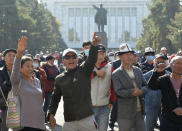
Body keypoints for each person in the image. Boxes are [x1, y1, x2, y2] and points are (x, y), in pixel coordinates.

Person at [47, 33, 100, 131]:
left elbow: (91, 59)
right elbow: (55, 99)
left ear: (77, 59)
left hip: (87, 119)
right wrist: (51, 114)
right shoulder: (59, 79)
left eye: (73, 56)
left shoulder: (84, 70)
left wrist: (94, 46)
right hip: (69, 122)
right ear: (63, 61)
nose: (71, 59)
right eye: (67, 57)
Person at [10, 36, 45, 131]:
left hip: (39, 124)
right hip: (23, 125)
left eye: (32, 66)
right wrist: (19, 53)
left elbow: (39, 104)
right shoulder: (17, 81)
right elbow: (15, 68)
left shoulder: (37, 81)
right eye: (27, 66)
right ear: (20, 69)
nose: (30, 68)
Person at [112, 43, 148, 131]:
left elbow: (145, 86)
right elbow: (118, 91)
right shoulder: (116, 73)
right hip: (125, 113)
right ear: (120, 56)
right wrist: (132, 91)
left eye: (131, 54)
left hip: (140, 111)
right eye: (127, 54)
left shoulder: (138, 70)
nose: (130, 57)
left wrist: (141, 91)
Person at [148, 56, 182, 131]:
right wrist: (157, 72)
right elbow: (151, 86)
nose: (180, 66)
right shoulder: (163, 79)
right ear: (171, 65)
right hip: (167, 120)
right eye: (178, 63)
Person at [91, 44, 116, 131]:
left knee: (102, 129)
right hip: (89, 107)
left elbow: (113, 86)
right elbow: (82, 79)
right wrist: (95, 73)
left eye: (102, 53)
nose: (100, 56)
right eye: (98, 53)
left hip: (104, 106)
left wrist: (111, 101)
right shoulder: (87, 66)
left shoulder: (110, 67)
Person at [144, 54, 170, 131]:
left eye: (162, 62)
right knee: (148, 126)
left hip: (165, 108)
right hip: (150, 107)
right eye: (157, 62)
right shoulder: (147, 75)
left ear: (166, 63)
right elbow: (143, 89)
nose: (159, 64)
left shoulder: (170, 75)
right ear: (154, 62)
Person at [0, 48, 17, 131]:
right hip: (4, 104)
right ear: (4, 57)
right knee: (4, 127)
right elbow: (2, 88)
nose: (12, 57)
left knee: (18, 128)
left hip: (19, 104)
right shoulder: (0, 72)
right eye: (9, 55)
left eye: (14, 56)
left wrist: (6, 84)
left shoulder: (21, 71)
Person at [42, 55, 59, 123]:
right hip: (47, 88)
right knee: (47, 104)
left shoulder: (55, 66)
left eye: (53, 60)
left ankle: (49, 118)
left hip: (54, 88)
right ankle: (43, 118)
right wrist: (55, 78)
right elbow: (47, 77)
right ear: (48, 60)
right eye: (52, 60)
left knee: (52, 105)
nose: (53, 61)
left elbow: (58, 73)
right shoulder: (44, 67)